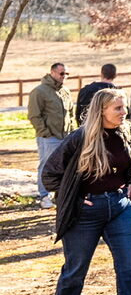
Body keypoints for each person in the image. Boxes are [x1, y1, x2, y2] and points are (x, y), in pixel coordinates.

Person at [41, 88, 131, 295]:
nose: (124, 112)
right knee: (75, 270)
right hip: (85, 214)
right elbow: (50, 175)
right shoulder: (80, 138)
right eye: (118, 108)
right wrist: (77, 197)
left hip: (120, 207)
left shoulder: (130, 132)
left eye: (125, 107)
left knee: (130, 269)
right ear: (101, 110)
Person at [28, 62, 71, 209]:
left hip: (65, 136)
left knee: (65, 165)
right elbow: (34, 115)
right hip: (49, 137)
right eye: (61, 73)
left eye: (66, 74)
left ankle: (60, 194)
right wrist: (45, 133)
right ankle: (44, 196)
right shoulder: (39, 91)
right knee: (46, 166)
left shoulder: (65, 91)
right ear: (52, 73)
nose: (64, 76)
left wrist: (71, 131)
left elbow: (69, 113)